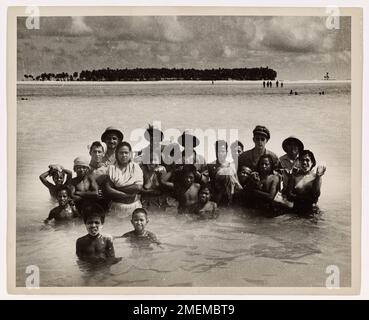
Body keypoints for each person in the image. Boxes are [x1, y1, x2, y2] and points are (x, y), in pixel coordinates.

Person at [105, 142, 143, 217]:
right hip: (117, 207)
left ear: (130, 154)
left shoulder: (136, 167)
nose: (124, 155)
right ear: (117, 154)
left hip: (134, 206)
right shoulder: (111, 168)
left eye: (126, 153)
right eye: (121, 153)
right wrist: (126, 195)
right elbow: (108, 189)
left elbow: (138, 187)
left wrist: (117, 188)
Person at [208, 140, 242, 206]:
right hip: (216, 199)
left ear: (226, 152)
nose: (220, 153)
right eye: (218, 151)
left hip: (230, 199)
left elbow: (237, 184)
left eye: (223, 151)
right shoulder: (210, 166)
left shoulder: (232, 166)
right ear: (215, 152)